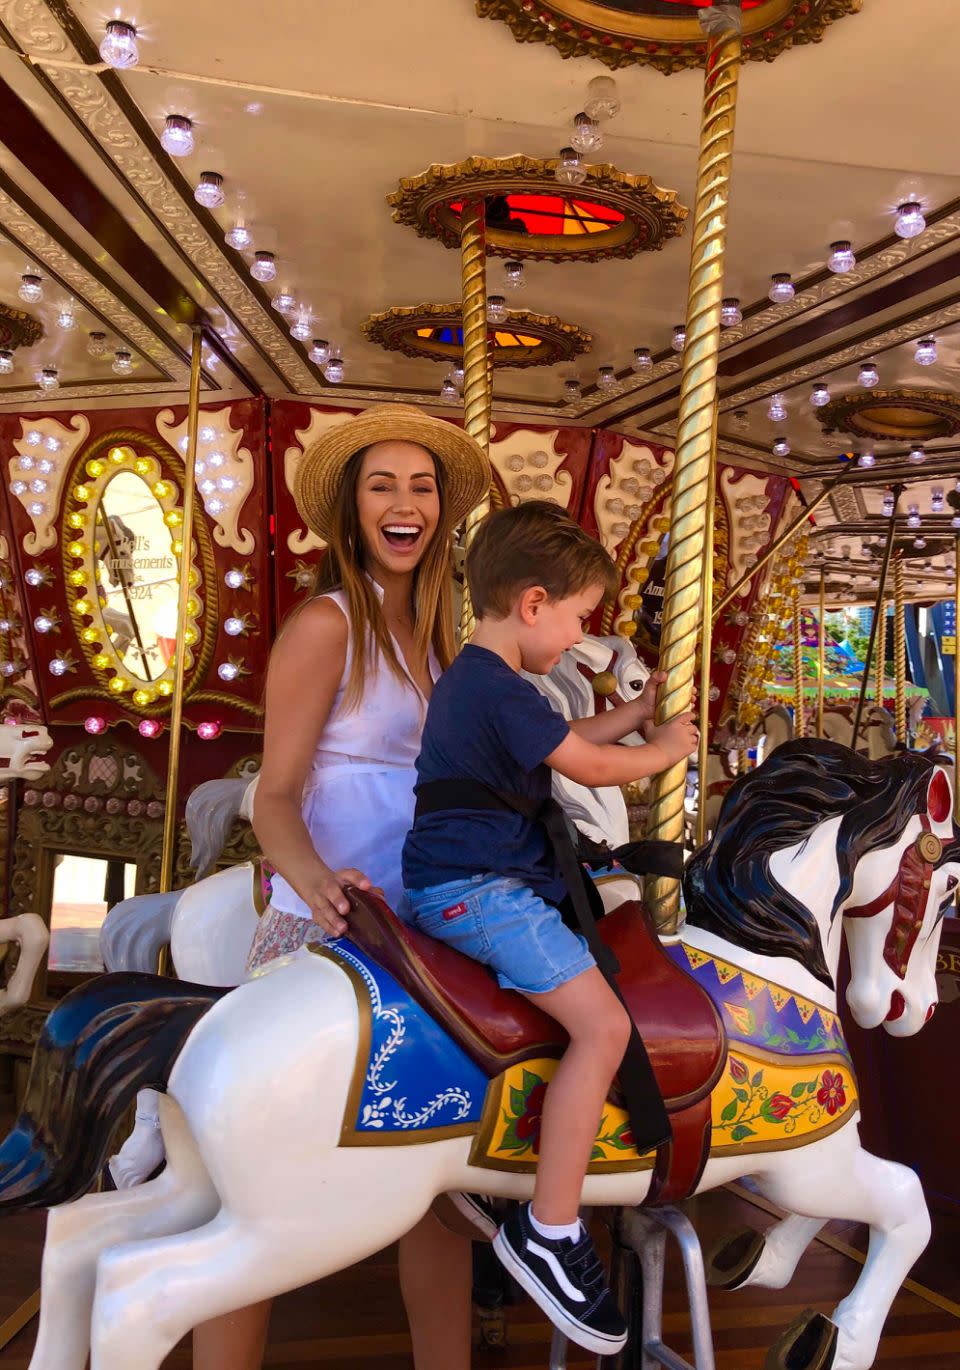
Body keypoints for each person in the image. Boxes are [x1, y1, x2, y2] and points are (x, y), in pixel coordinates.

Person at [192, 403, 490, 1370]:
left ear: (441, 510)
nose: (404, 504)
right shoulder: (328, 624)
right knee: (254, 1200)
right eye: (382, 486)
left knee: (438, 1195)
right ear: (353, 512)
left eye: (421, 487)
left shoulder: (444, 637)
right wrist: (316, 881)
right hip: (332, 926)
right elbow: (273, 797)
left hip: (425, 926)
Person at [401, 501, 698, 1356]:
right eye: (574, 619)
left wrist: (633, 720)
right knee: (604, 1024)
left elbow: (573, 739)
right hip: (481, 890)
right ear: (533, 605)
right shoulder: (496, 685)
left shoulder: (482, 682)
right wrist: (664, 751)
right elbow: (593, 767)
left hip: (463, 881)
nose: (575, 639)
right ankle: (552, 1228)